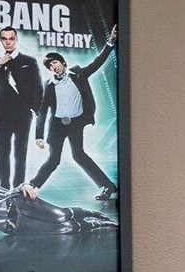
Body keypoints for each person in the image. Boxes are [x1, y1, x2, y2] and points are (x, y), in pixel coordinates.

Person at [26, 30, 118, 198]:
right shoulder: (48, 85)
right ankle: (32, 186)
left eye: (55, 62)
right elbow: (43, 111)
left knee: (79, 155)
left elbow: (97, 63)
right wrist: (38, 135)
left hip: (76, 123)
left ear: (62, 62)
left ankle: (108, 186)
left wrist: (110, 43)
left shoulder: (78, 74)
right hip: (57, 126)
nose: (53, 67)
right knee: (53, 160)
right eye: (50, 66)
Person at [0, 27, 42, 192]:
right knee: (3, 152)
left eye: (11, 38)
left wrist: (34, 110)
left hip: (23, 114)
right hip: (2, 114)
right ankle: (3, 188)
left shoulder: (29, 61)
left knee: (20, 152)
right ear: (1, 40)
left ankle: (18, 188)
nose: (8, 42)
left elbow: (38, 87)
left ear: (16, 39)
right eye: (4, 39)